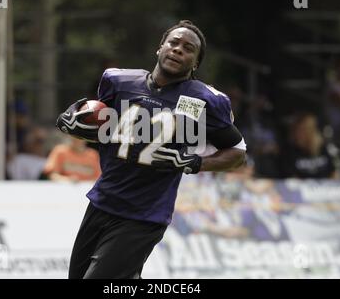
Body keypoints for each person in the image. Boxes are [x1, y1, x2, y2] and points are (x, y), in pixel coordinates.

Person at [56, 20, 247, 279]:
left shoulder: (201, 101)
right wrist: (73, 120)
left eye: (188, 48)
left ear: (196, 63)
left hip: (143, 215)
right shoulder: (119, 82)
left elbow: (237, 153)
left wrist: (194, 162)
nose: (178, 50)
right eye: (174, 43)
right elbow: (99, 123)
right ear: (160, 48)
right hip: (102, 203)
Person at [282, 112, 338, 179]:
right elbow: (290, 179)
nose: (301, 134)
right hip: (302, 188)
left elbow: (333, 172)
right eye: (299, 130)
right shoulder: (289, 151)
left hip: (325, 187)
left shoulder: (322, 148)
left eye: (306, 130)